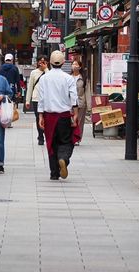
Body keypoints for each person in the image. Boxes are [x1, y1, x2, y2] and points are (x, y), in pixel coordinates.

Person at [38, 50, 80, 181]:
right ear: (63, 63)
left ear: (49, 62)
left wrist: (40, 116)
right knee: (66, 141)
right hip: (64, 115)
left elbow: (41, 98)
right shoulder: (68, 78)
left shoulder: (44, 78)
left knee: (51, 143)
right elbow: (73, 97)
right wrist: (76, 113)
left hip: (49, 116)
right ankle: (63, 158)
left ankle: (54, 173)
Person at [25, 55, 49, 145]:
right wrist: (27, 100)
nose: (41, 63)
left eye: (44, 61)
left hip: (47, 99)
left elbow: (50, 79)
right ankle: (40, 136)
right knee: (38, 118)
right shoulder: (34, 73)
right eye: (40, 61)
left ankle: (46, 135)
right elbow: (30, 87)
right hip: (36, 99)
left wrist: (46, 69)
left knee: (46, 118)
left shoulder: (49, 72)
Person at [0, 53, 21, 127]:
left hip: (2, 89)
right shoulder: (14, 68)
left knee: (2, 105)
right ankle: (9, 122)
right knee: (10, 105)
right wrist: (19, 91)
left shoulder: (0, 68)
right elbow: (18, 80)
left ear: (5, 60)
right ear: (11, 60)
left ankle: (2, 120)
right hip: (11, 89)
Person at [71, 59, 89, 142]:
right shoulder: (68, 77)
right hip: (70, 103)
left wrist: (89, 105)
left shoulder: (83, 78)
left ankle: (78, 138)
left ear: (80, 67)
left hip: (81, 102)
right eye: (73, 64)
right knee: (71, 121)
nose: (74, 66)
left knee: (80, 122)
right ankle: (71, 138)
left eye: (76, 64)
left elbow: (87, 92)